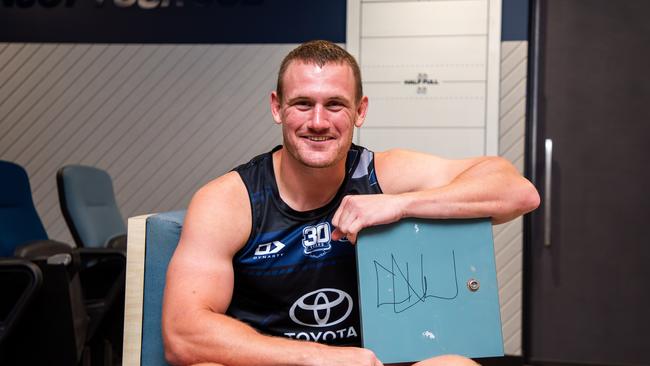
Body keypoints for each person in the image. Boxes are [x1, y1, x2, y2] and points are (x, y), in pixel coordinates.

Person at [162, 40, 540, 366]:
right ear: (277, 107)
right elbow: (183, 333)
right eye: (303, 103)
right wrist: (319, 357)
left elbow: (517, 192)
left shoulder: (380, 174)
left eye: (335, 105)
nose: (318, 121)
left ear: (360, 111)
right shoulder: (230, 199)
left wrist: (401, 204)